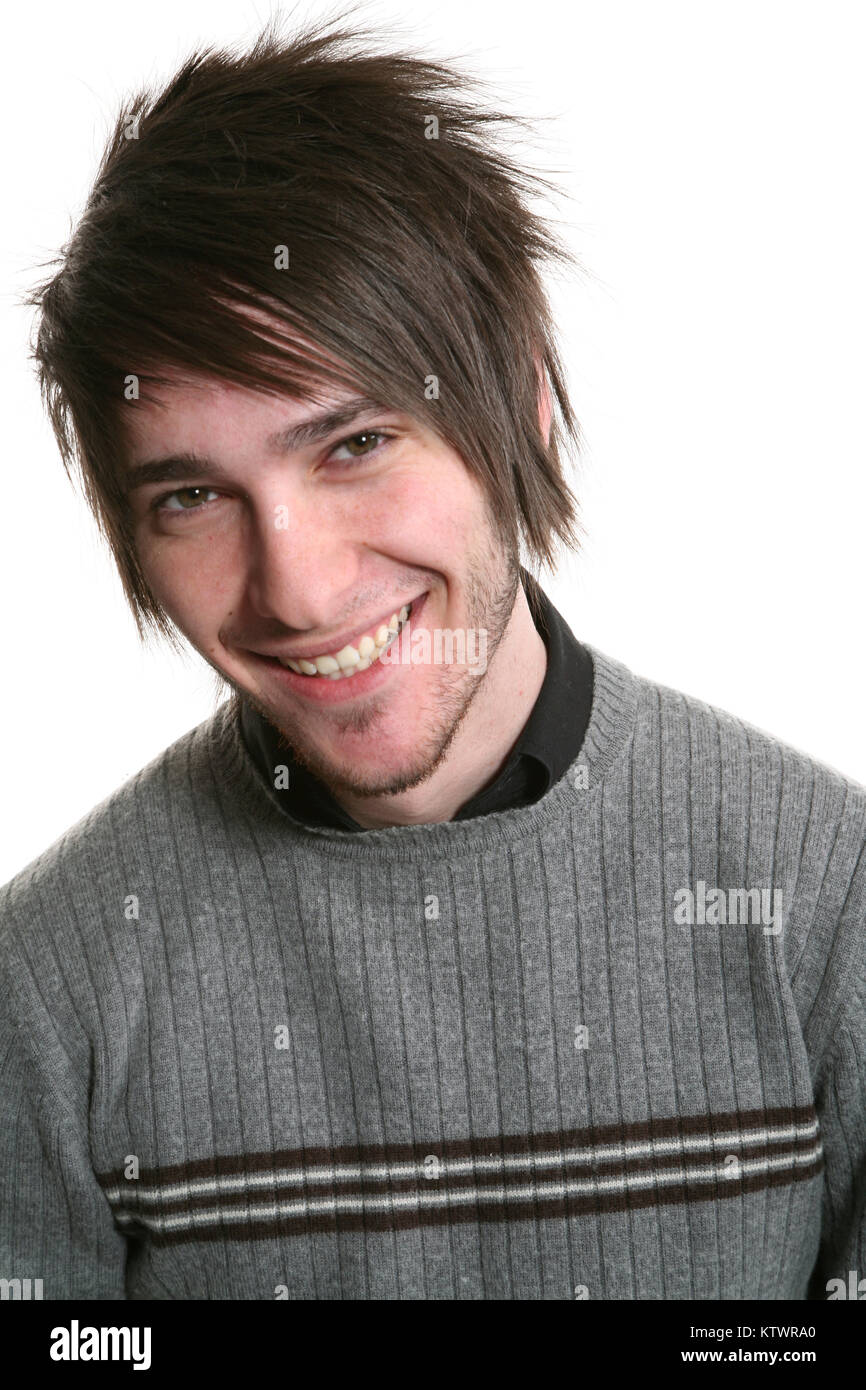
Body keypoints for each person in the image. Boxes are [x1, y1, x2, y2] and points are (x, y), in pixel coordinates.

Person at [1, 14, 863, 1301]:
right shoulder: (47, 986)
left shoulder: (828, 902)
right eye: (190, 496)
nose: (295, 588)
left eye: (351, 443)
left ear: (514, 397)